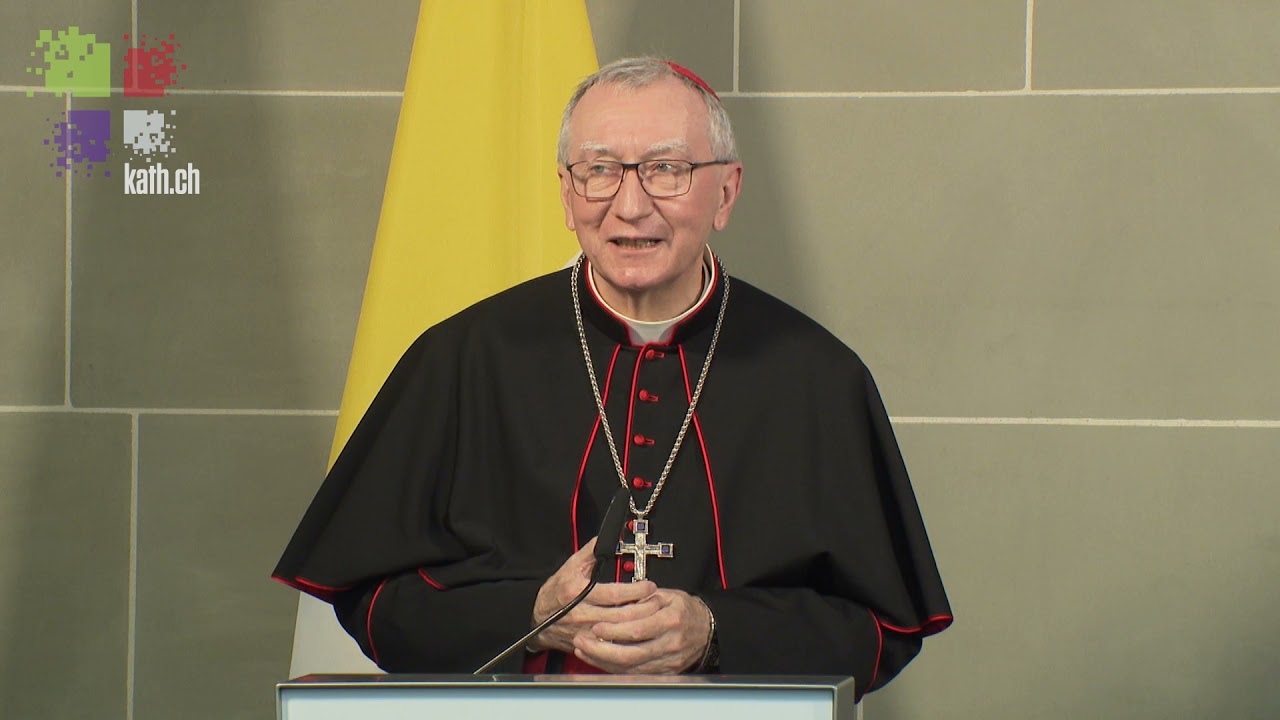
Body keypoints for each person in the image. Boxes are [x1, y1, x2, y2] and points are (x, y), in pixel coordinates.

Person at [273, 56, 951, 699]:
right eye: (599, 171)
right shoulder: (465, 357)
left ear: (726, 192)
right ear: (567, 195)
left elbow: (883, 628)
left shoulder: (814, 376)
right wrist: (532, 612)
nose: (629, 205)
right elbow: (373, 600)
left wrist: (715, 630)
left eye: (667, 169)